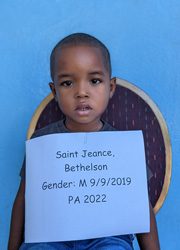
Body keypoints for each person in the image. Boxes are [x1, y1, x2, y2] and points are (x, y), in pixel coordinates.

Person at [8, 33, 160, 250]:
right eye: (68, 83)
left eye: (95, 81)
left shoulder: (122, 147)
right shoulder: (42, 141)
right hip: (50, 238)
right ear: (54, 91)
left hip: (108, 237)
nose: (81, 92)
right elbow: (24, 199)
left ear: (111, 87)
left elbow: (140, 206)